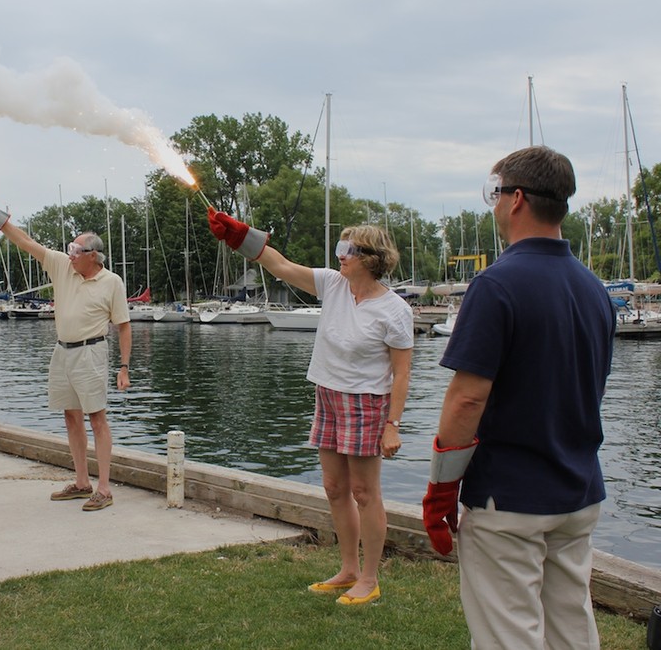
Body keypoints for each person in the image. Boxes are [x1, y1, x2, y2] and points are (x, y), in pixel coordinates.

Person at [423, 146, 615, 649]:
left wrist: (443, 488)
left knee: (508, 636)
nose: (494, 205)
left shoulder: (496, 284)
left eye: (497, 194)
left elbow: (466, 399)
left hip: (508, 497)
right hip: (577, 489)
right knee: (571, 628)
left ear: (516, 200)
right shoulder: (595, 289)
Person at [208, 211, 413, 606]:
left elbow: (401, 374)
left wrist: (393, 424)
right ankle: (348, 569)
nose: (339, 257)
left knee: (365, 493)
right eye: (339, 248)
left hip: (366, 402)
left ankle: (370, 579)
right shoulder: (334, 284)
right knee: (335, 489)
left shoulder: (394, 310)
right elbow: (280, 266)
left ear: (370, 257)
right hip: (328, 395)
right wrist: (240, 236)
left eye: (346, 250)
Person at [0, 189, 131, 511]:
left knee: (97, 418)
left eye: (76, 249)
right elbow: (25, 241)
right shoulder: (61, 265)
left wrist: (124, 367)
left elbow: (123, 325)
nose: (69, 252)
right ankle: (82, 482)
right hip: (63, 352)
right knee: (70, 417)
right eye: (70, 248)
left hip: (91, 352)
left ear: (93, 255)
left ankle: (104, 488)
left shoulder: (111, 282)